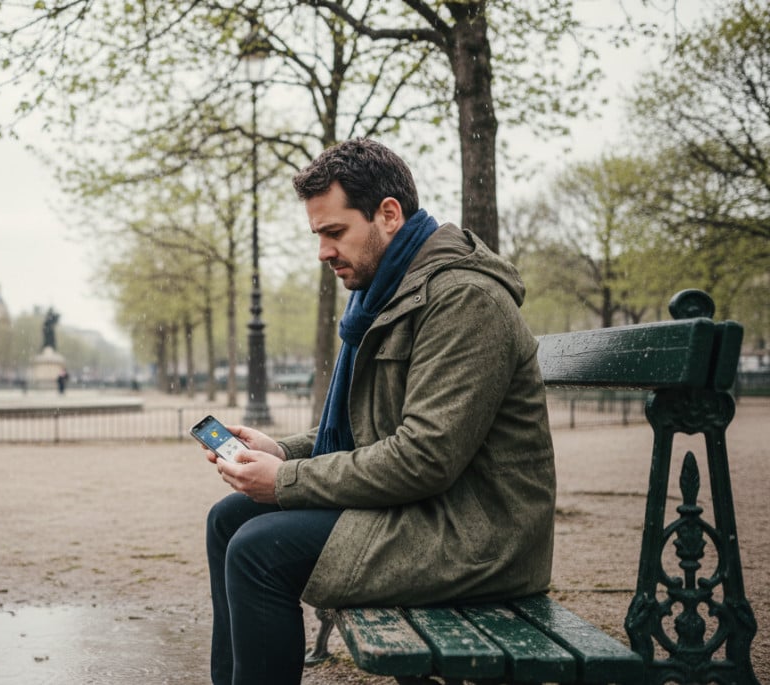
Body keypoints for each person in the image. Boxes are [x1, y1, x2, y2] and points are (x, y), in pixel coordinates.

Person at [203, 138, 556, 685]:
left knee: (259, 551)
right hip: (429, 512)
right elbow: (377, 431)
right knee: (229, 520)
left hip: (475, 537)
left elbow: (424, 457)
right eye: (318, 234)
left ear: (388, 214)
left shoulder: (465, 300)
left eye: (334, 232)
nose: (322, 252)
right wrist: (283, 453)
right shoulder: (386, 294)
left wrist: (288, 481)